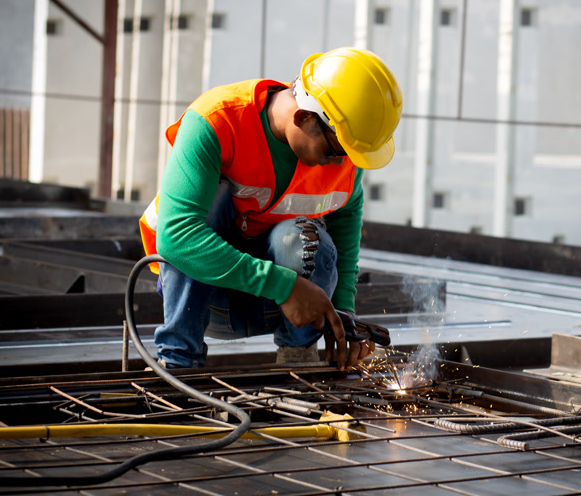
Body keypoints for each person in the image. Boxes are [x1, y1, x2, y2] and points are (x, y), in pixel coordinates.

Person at [138, 47, 403, 371]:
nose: (341, 163)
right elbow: (176, 237)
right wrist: (282, 284)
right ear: (302, 117)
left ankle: (297, 359)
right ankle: (178, 362)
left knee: (305, 240)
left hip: (281, 305)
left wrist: (342, 313)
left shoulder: (345, 155)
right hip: (204, 300)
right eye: (337, 151)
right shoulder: (217, 121)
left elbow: (346, 221)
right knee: (201, 211)